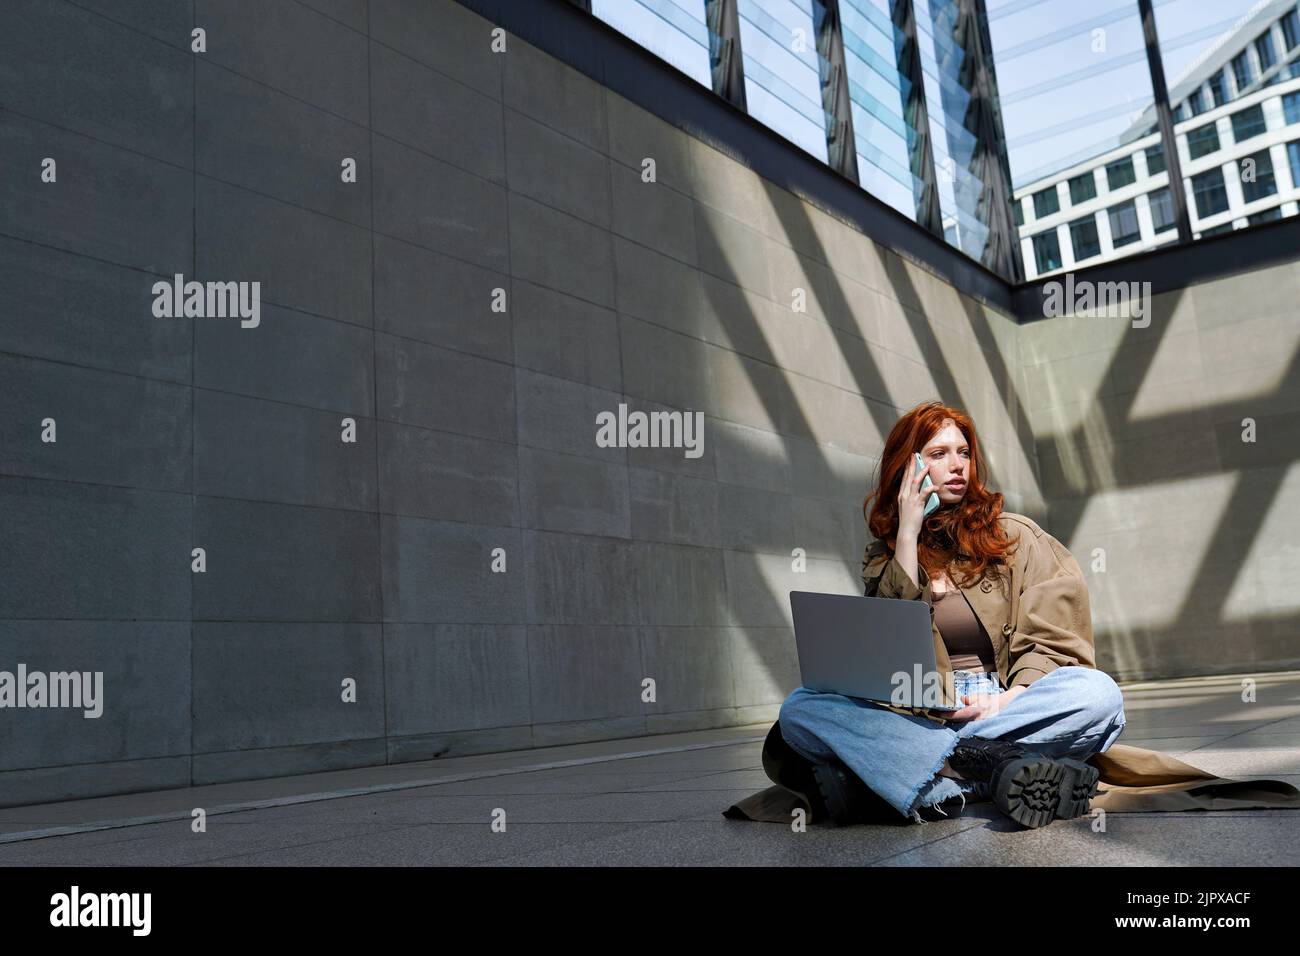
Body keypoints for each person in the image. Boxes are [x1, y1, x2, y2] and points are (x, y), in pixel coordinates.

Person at [777, 401, 1127, 829]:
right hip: (919, 715)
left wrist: (999, 703)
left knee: (1098, 695)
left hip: (1006, 704)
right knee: (800, 710)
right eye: (939, 454)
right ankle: (991, 768)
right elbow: (887, 657)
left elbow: (1053, 644)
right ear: (908, 467)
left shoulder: (1015, 536)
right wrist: (907, 533)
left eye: (963, 452)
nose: (958, 465)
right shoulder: (885, 557)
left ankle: (921, 779)